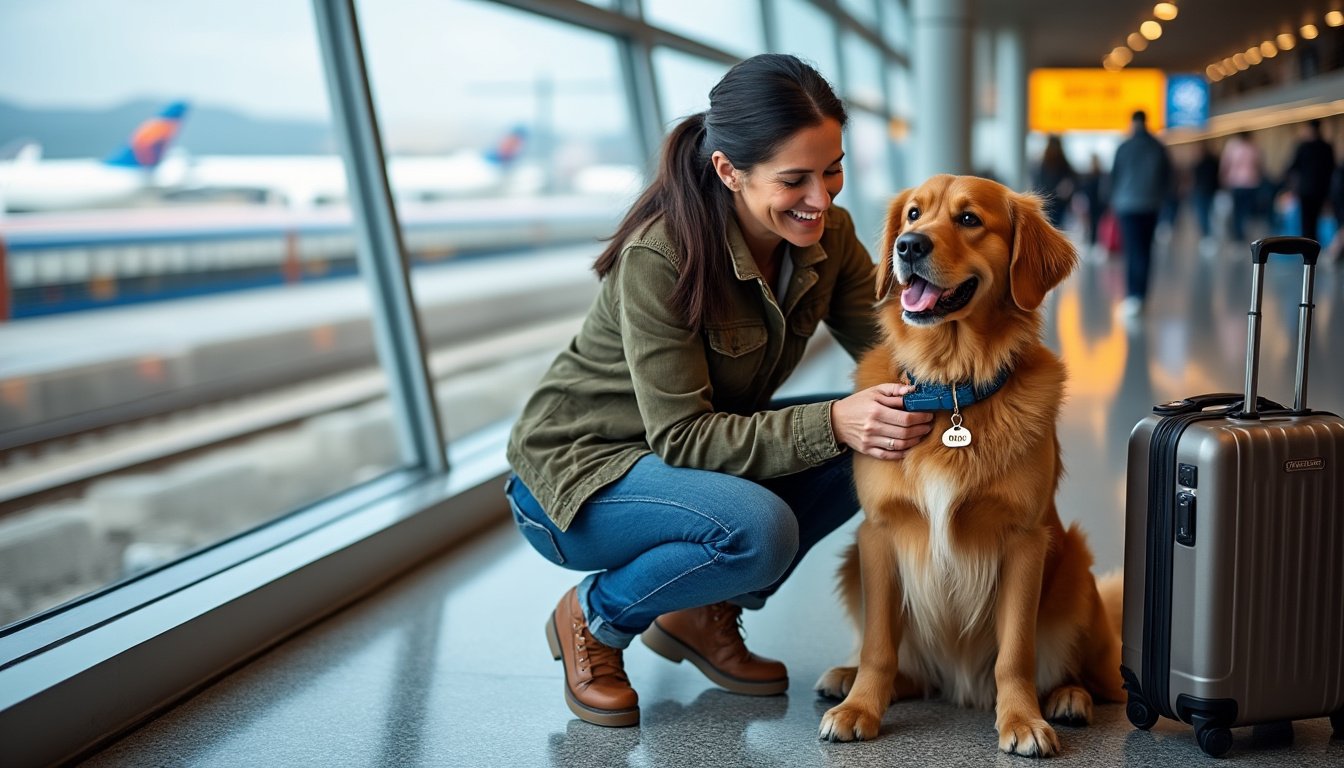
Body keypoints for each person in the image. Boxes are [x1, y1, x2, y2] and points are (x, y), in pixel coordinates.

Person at [504, 53, 935, 728]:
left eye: (832, 169)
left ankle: (702, 613)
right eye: (795, 179)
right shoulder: (662, 255)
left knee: (886, 434)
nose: (821, 198)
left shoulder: (831, 237)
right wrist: (836, 421)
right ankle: (595, 618)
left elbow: (893, 354)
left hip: (681, 467)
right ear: (729, 171)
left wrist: (983, 387)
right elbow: (681, 437)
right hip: (576, 482)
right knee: (758, 529)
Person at [1109, 110, 1171, 318]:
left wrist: (1112, 201)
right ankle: (1142, 295)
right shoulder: (1157, 147)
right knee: (1145, 250)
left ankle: (1133, 296)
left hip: (1127, 205)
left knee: (1132, 250)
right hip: (1151, 205)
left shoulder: (1124, 147)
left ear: (1132, 123)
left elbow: (1114, 176)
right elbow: (1166, 177)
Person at [1281, 120, 1336, 242]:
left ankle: (1307, 247)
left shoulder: (1303, 147)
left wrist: (1287, 184)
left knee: (1306, 220)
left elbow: (1292, 167)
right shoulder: (1327, 147)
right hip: (1321, 190)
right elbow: (1332, 169)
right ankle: (1314, 246)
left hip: (1305, 190)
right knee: (1316, 219)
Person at [1220, 131, 1263, 242]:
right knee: (1247, 211)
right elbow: (1258, 165)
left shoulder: (1232, 147)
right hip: (1251, 183)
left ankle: (1239, 236)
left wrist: (1224, 180)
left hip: (1236, 183)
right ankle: (1247, 233)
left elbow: (1225, 165)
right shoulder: (1253, 147)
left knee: (1238, 212)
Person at [1032, 134, 1076, 230]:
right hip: (1059, 200)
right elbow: (1072, 179)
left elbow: (1039, 183)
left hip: (1048, 200)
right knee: (1057, 227)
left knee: (1049, 227)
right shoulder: (1062, 161)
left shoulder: (1044, 162)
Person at [1190, 140, 1221, 250]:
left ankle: (1207, 236)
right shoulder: (1214, 160)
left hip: (1202, 191)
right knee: (1209, 214)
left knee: (1203, 215)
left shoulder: (1198, 162)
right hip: (1210, 191)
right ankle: (1209, 236)